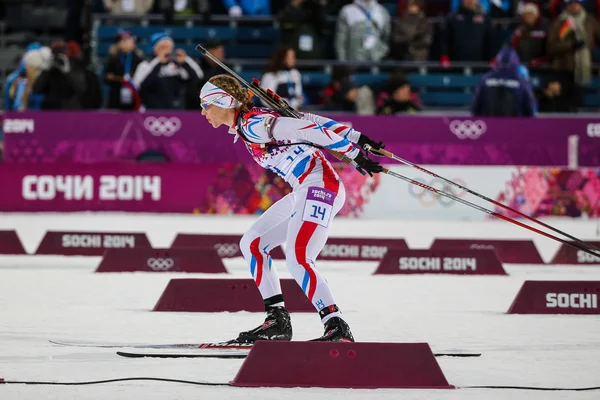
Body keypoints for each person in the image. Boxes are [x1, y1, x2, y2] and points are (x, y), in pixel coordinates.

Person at [199, 74, 384, 342]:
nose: (203, 112)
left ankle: (336, 325)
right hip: (306, 190)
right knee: (253, 243)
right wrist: (357, 137)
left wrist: (354, 152)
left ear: (223, 101)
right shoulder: (250, 122)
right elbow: (307, 120)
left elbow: (307, 131)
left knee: (299, 258)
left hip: (320, 187)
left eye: (206, 104)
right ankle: (276, 321)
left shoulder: (255, 125)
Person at [133, 33, 203, 110]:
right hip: (152, 110)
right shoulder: (145, 64)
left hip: (178, 109)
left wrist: (185, 61)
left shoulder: (179, 65)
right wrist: (158, 62)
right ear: (154, 49)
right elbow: (139, 86)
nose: (167, 51)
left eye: (169, 47)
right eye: (163, 47)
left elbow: (198, 78)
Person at [471, 46, 537, 116]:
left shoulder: (485, 80)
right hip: (515, 125)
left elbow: (475, 108)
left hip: (489, 124)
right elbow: (531, 110)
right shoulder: (522, 82)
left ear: (497, 61)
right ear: (516, 62)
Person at [104, 31, 144, 110]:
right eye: (122, 41)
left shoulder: (138, 59)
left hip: (134, 97)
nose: (125, 43)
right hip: (116, 97)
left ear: (133, 43)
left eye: (127, 41)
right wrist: (110, 77)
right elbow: (105, 78)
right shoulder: (113, 58)